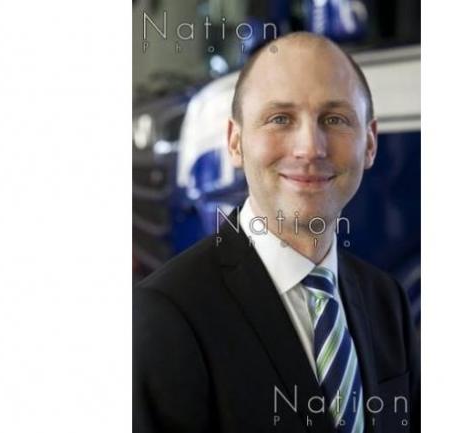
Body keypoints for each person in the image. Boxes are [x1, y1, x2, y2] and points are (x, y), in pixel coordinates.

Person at [134, 32, 420, 433]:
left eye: (335, 119)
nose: (310, 148)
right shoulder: (162, 318)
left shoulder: (386, 300)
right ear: (235, 142)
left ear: (369, 143)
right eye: (280, 119)